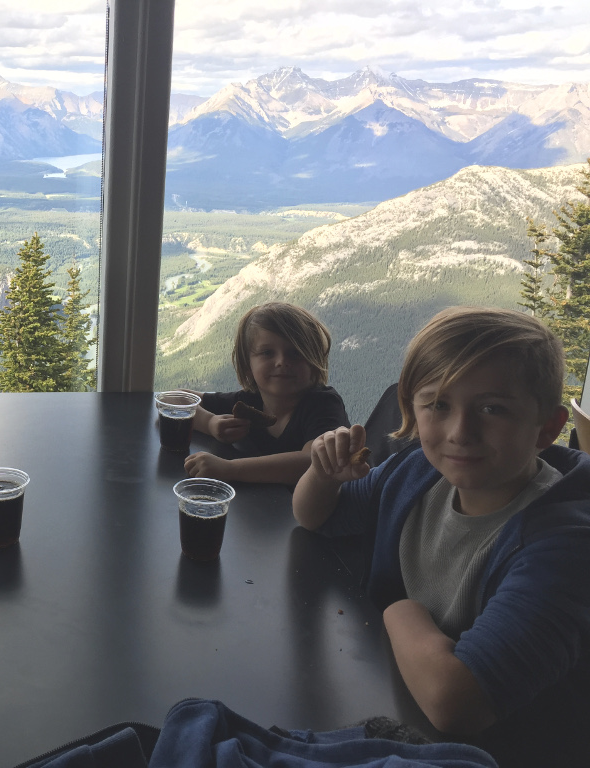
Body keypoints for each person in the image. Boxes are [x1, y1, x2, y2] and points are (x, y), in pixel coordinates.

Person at [292, 306, 590, 768]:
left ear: (548, 428)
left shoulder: (564, 545)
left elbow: (457, 702)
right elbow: (318, 516)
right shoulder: (418, 473)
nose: (460, 433)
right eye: (438, 405)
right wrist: (322, 474)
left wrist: (399, 609)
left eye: (493, 409)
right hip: (402, 710)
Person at [184, 302, 349, 485]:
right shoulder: (249, 401)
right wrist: (210, 422)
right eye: (267, 353)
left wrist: (229, 469)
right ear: (248, 366)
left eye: (295, 353)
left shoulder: (323, 404)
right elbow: (173, 399)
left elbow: (313, 462)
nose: (281, 362)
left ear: (314, 361)